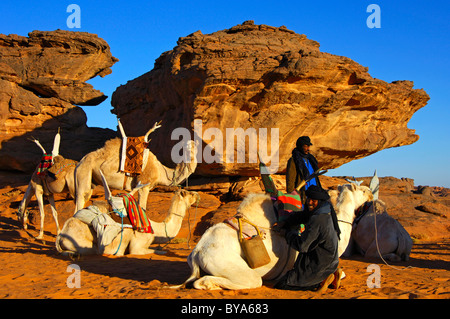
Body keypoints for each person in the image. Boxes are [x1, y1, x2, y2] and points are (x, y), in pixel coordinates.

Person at [272, 185, 342, 292]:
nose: (309, 202)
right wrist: (286, 222)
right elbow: (302, 216)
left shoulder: (317, 219)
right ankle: (331, 272)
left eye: (313, 200)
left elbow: (302, 246)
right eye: (309, 199)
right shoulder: (325, 210)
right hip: (331, 261)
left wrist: (287, 234)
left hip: (319, 264)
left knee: (282, 284)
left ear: (319, 200)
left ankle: (322, 280)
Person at [286, 136, 322, 203]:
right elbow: (290, 180)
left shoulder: (311, 159)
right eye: (305, 146)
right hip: (302, 195)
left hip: (314, 195)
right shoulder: (293, 161)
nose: (308, 149)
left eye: (308, 146)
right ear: (300, 146)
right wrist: (291, 195)